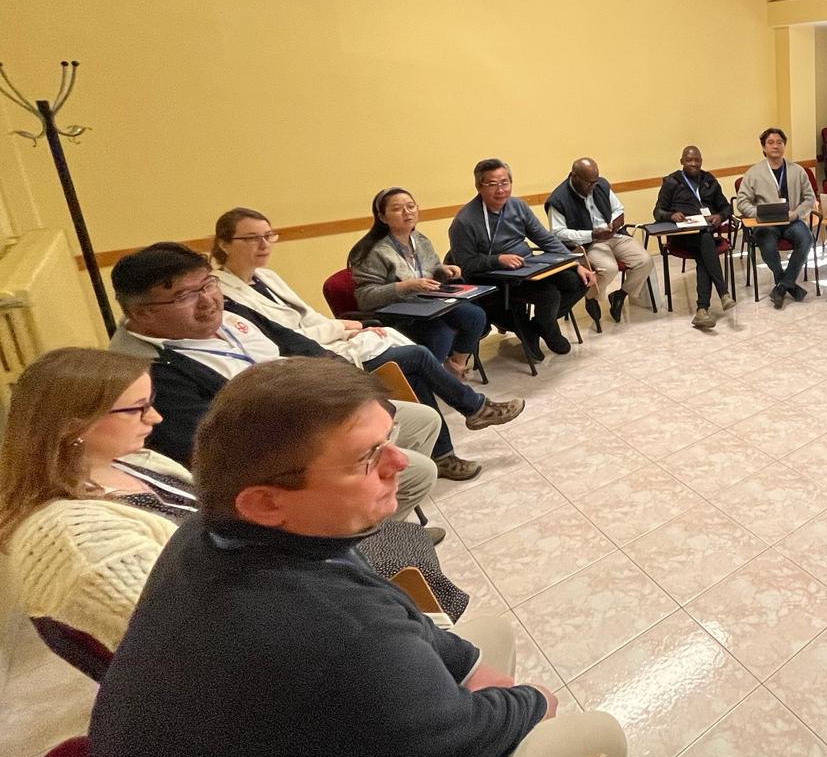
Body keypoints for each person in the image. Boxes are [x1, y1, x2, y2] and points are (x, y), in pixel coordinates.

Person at [88, 359, 627, 757]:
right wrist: (531, 703)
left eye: (389, 439)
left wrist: (469, 677)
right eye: (368, 457)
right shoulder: (331, 629)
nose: (400, 461)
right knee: (594, 737)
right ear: (266, 502)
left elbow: (381, 612)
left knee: (489, 636)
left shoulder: (210, 533)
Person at [0, 348, 467, 651]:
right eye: (138, 409)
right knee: (392, 547)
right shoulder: (74, 541)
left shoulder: (136, 460)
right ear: (73, 425)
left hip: (268, 572)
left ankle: (428, 635)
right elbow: (194, 639)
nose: (156, 418)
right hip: (269, 623)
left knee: (398, 537)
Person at [107, 243, 441, 510]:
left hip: (323, 409)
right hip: (291, 452)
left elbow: (301, 345)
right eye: (185, 296)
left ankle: (378, 516)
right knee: (418, 473)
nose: (208, 301)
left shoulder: (230, 314)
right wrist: (336, 437)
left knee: (423, 420)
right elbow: (221, 451)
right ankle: (348, 540)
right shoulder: (148, 373)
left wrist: (354, 396)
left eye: (208, 284)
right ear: (142, 314)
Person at [212, 209, 522, 471]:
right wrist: (345, 328)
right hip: (308, 362)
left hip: (332, 338)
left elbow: (309, 318)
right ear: (224, 244)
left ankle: (444, 454)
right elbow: (282, 340)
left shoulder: (266, 277)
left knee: (429, 355)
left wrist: (349, 329)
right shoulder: (225, 296)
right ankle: (475, 408)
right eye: (252, 238)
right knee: (417, 356)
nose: (264, 244)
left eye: (269, 235)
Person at [447, 158, 595, 363]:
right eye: (492, 184)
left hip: (528, 269)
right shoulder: (464, 221)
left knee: (579, 281)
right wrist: (498, 260)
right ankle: (545, 328)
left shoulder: (517, 206)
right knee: (549, 294)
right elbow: (466, 265)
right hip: (495, 278)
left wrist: (575, 263)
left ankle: (540, 325)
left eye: (505, 182)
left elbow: (545, 239)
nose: (501, 190)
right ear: (479, 187)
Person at [348, 187, 489, 380]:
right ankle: (428, 381)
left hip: (426, 303)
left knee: (475, 316)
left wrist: (443, 270)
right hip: (395, 312)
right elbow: (365, 297)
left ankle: (455, 366)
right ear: (382, 217)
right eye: (397, 209)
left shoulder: (420, 240)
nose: (407, 212)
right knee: (441, 334)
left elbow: (430, 270)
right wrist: (406, 286)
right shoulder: (372, 250)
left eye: (411, 206)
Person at [546, 157, 653, 323]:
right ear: (574, 176)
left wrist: (615, 221)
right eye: (588, 182)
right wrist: (592, 234)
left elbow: (618, 208)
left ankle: (620, 295)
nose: (593, 186)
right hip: (589, 243)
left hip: (613, 235)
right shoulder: (558, 199)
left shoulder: (600, 184)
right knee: (609, 269)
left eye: (595, 181)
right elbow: (558, 233)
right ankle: (591, 297)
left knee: (645, 261)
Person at [652, 144, 735, 331]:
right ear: (682, 161)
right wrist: (670, 215)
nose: (693, 163)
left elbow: (726, 207)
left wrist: (719, 216)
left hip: (705, 233)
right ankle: (723, 292)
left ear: (701, 162)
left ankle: (702, 311)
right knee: (706, 243)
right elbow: (657, 211)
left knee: (704, 249)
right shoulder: (671, 182)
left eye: (697, 160)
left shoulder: (709, 180)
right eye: (689, 160)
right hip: (683, 236)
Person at [734, 127, 817, 309]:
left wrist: (797, 213)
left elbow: (810, 198)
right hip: (766, 223)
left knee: (807, 239)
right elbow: (742, 202)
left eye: (779, 142)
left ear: (784, 146)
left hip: (791, 220)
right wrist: (759, 213)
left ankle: (781, 286)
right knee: (768, 244)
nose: (775, 146)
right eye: (770, 142)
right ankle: (787, 284)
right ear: (764, 147)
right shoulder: (754, 173)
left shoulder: (798, 171)